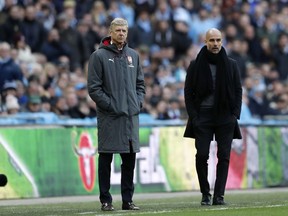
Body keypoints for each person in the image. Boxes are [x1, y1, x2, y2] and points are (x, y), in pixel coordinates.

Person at [87, 18, 145, 211]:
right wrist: (111, 106)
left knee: (129, 162)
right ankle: (106, 200)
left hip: (130, 118)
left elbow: (140, 85)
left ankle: (128, 200)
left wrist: (137, 103)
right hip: (110, 118)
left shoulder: (133, 56)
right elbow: (94, 88)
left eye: (124, 31)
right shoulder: (99, 56)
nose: (121, 33)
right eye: (118, 30)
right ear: (110, 32)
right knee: (106, 159)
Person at [183, 28, 242, 206]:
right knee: (201, 155)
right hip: (203, 117)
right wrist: (194, 116)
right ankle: (205, 193)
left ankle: (219, 196)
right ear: (205, 42)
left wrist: (235, 115)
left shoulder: (231, 64)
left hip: (225, 116)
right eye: (212, 41)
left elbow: (238, 90)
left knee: (224, 157)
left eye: (218, 40)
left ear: (222, 41)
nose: (215, 44)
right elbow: (188, 92)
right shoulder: (195, 65)